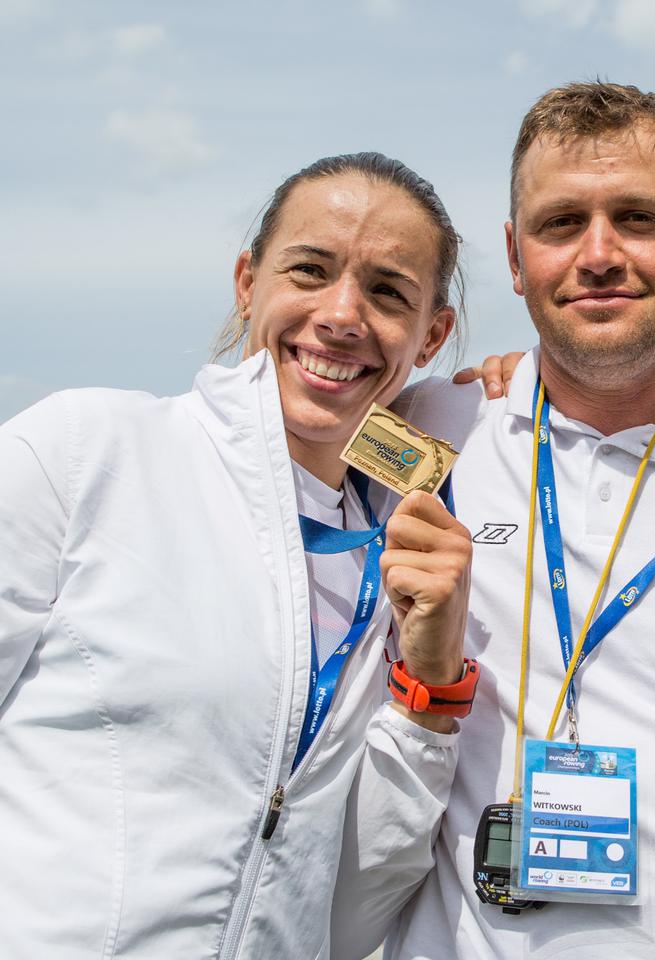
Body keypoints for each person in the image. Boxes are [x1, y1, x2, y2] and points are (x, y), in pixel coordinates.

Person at [332, 82, 655, 960]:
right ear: (516, 259)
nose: (598, 255)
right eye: (561, 225)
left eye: (637, 218)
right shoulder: (420, 433)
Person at [0, 152, 473, 958]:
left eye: (388, 292)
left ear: (431, 334)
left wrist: (428, 693)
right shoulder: (85, 451)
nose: (342, 314)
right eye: (310, 270)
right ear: (247, 280)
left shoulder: (398, 560)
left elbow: (350, 911)